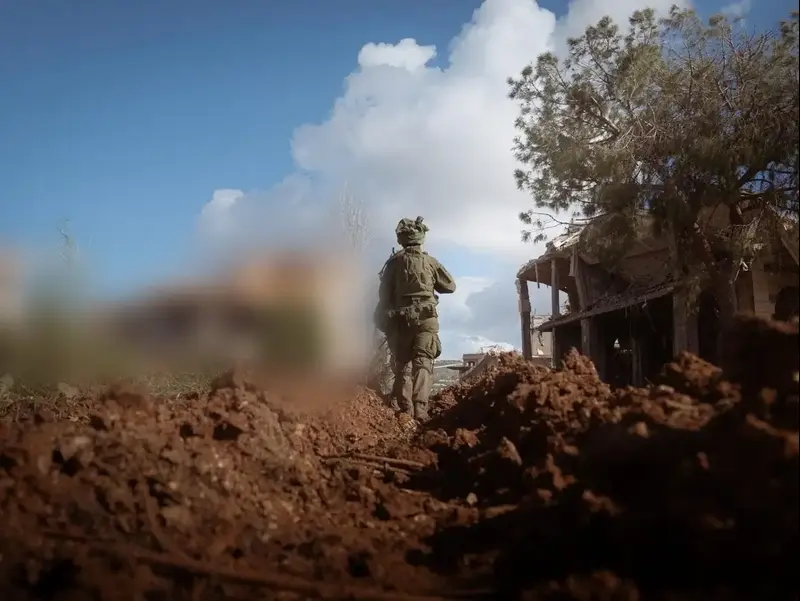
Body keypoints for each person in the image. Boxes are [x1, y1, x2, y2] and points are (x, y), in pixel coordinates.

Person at [375, 217, 456, 420]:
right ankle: (421, 409)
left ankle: (406, 410)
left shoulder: (393, 263)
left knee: (403, 364)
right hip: (427, 319)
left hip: (402, 320)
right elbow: (450, 286)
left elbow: (383, 295)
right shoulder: (430, 262)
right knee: (423, 362)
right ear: (421, 238)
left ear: (401, 239)